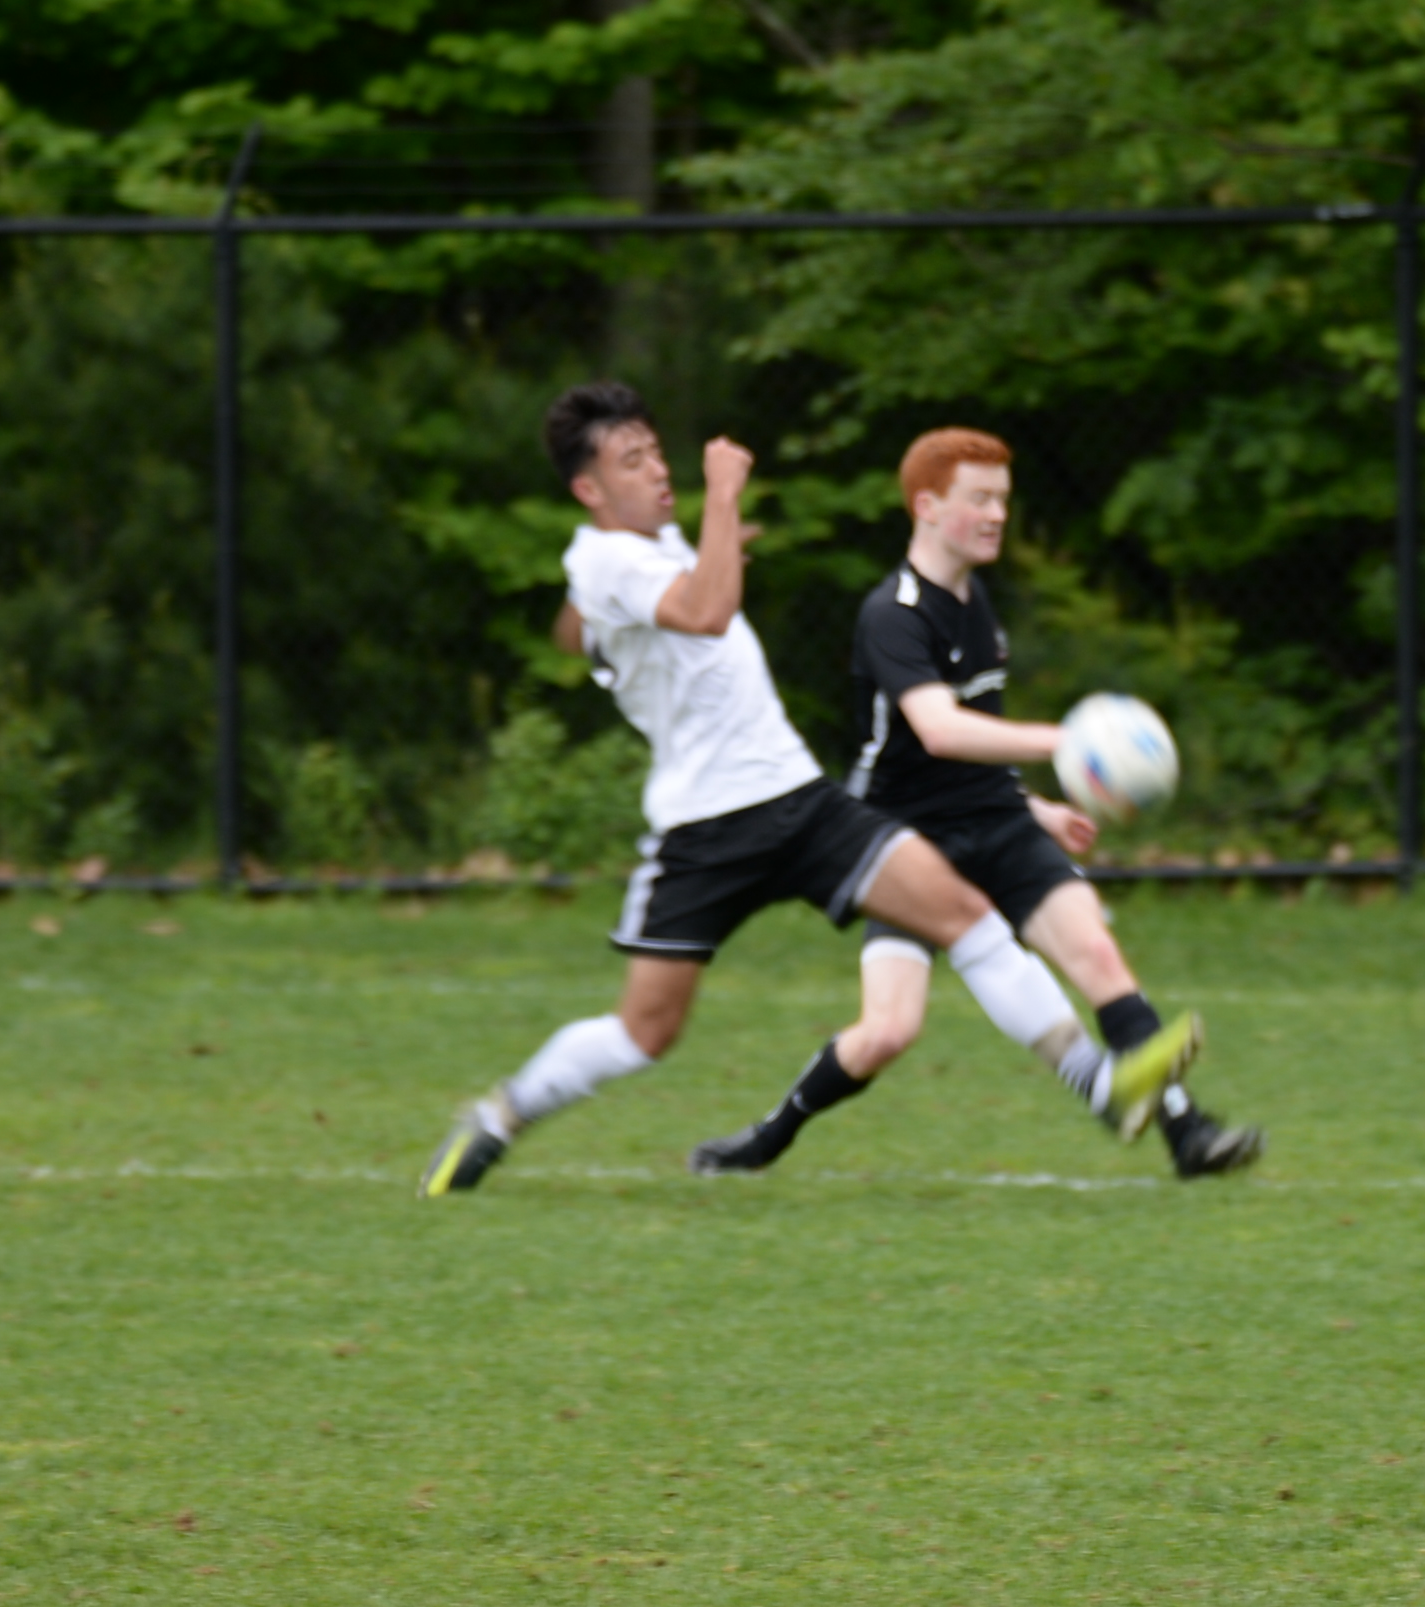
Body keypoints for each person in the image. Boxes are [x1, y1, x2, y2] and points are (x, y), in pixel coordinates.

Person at [423, 382, 1197, 1193]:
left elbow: (588, 621)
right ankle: (500, 1115)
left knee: (967, 915)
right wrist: (724, 495)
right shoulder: (606, 558)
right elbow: (708, 612)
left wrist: (618, 617)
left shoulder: (641, 551)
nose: (657, 470)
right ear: (589, 489)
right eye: (631, 461)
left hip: (798, 798)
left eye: (655, 451)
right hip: (705, 829)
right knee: (645, 1032)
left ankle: (1103, 1086)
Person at [691, 427, 1261, 1182]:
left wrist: (1034, 807)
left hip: (996, 822)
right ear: (927, 506)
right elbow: (940, 729)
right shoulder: (892, 613)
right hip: (903, 843)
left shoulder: (976, 600)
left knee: (1095, 954)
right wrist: (1067, 740)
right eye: (980, 500)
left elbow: (977, 737)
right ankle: (768, 1137)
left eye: (1003, 501)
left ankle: (1188, 1134)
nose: (997, 516)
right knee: (888, 1030)